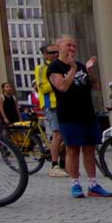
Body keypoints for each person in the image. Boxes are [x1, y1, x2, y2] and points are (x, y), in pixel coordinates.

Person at [48, 36, 112, 198]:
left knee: (90, 149)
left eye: (74, 46)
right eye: (68, 45)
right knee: (73, 150)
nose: (72, 48)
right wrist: (72, 69)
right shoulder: (55, 67)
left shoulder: (80, 65)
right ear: (59, 47)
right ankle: (75, 184)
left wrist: (89, 72)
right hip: (69, 115)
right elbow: (62, 86)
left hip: (88, 113)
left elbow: (94, 85)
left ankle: (93, 185)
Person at [34, 44, 67, 178]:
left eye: (56, 52)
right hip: (51, 104)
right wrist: (60, 82)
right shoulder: (42, 68)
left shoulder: (61, 65)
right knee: (58, 133)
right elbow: (43, 88)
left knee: (66, 134)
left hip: (64, 103)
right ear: (45, 55)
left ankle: (64, 164)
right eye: (52, 52)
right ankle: (54, 165)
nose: (55, 54)